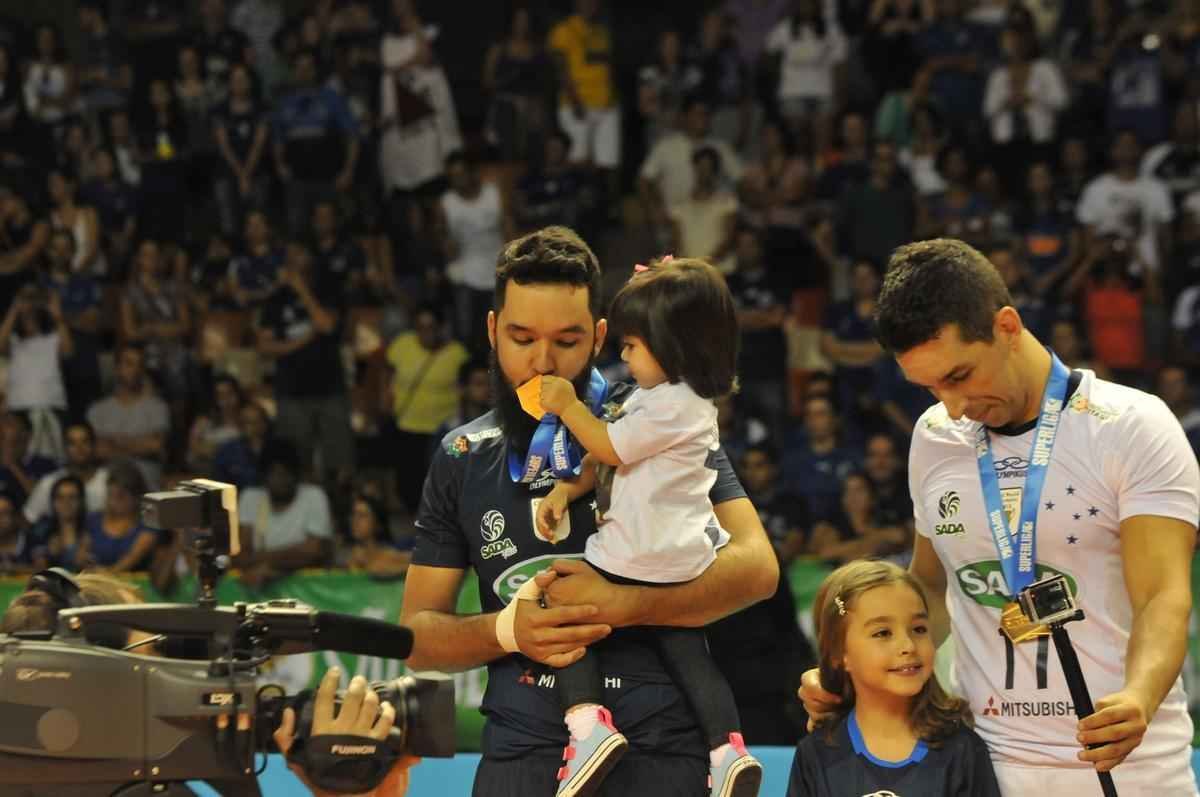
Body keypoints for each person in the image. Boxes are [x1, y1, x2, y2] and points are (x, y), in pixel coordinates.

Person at [798, 238, 1200, 793]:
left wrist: (1140, 696)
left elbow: (1163, 594)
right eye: (930, 386)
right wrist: (854, 674)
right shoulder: (935, 436)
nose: (952, 405)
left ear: (1007, 327)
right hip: (985, 764)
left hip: (1122, 761)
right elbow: (930, 589)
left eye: (959, 376)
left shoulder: (1129, 425)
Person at [398, 226, 778, 796]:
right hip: (523, 753)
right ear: (493, 330)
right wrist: (509, 629)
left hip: (665, 749)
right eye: (522, 338)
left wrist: (631, 604)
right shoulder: (461, 457)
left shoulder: (659, 420)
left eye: (567, 341)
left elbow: (757, 570)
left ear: (601, 337)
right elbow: (418, 638)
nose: (542, 363)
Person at [533, 257, 762, 795]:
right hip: (679, 560)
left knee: (559, 604)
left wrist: (567, 405)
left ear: (674, 345)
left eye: (633, 346)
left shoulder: (675, 405)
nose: (624, 356)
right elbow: (615, 462)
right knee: (688, 653)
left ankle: (587, 726)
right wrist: (568, 490)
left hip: (636, 553)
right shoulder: (668, 397)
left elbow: (609, 446)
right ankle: (728, 751)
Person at [787, 559, 1002, 795]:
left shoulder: (964, 750)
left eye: (919, 629)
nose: (908, 645)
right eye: (883, 633)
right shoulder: (817, 754)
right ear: (840, 653)